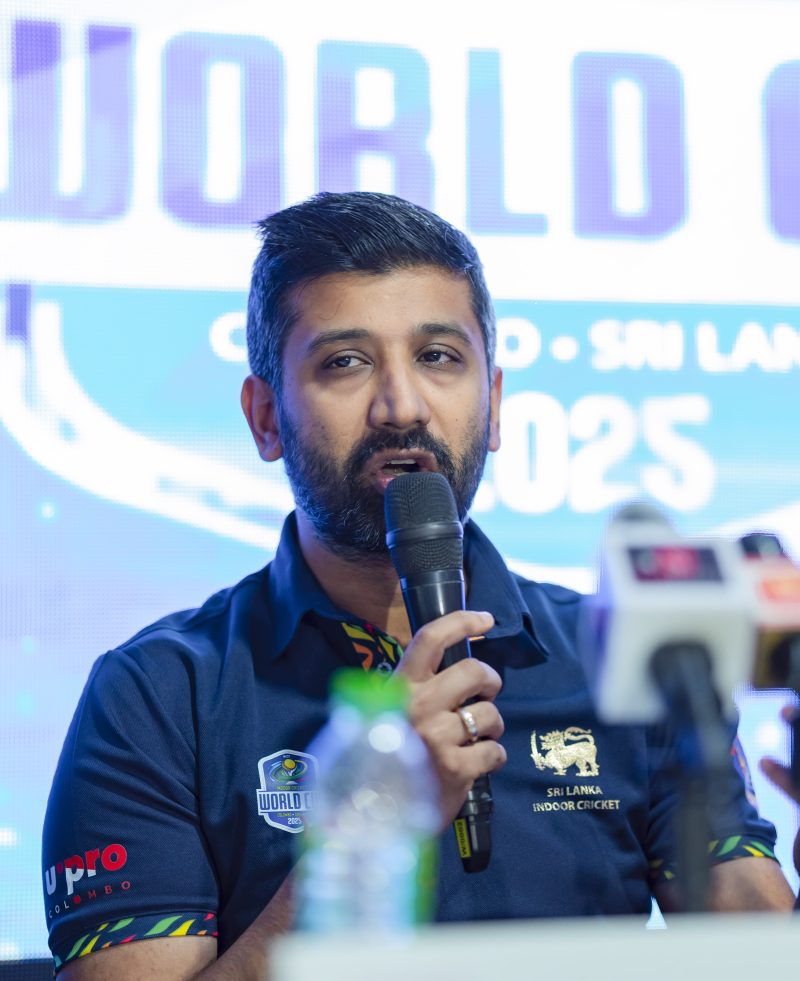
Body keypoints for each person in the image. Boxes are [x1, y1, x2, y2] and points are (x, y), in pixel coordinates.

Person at [42, 191, 795, 980]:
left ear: (493, 404)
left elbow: (762, 960)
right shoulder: (159, 694)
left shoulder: (630, 658)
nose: (401, 406)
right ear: (265, 417)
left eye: (438, 357)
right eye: (345, 362)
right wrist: (364, 830)